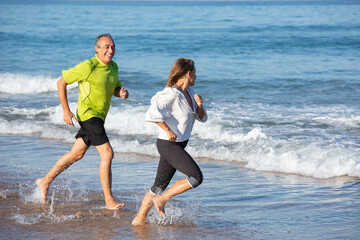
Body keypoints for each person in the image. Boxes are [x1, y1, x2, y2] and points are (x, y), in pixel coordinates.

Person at [36, 33, 129, 210]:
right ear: (97, 48)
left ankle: (45, 180)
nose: (110, 50)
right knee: (107, 154)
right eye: (106, 47)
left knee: (77, 154)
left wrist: (121, 93)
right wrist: (66, 110)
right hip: (88, 115)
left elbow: (115, 88)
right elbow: (61, 82)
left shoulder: (114, 67)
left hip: (99, 117)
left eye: (113, 47)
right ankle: (109, 200)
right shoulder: (88, 66)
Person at [132, 57, 207, 225]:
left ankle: (139, 219)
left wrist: (199, 105)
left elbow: (201, 118)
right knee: (196, 177)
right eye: (195, 73)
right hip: (168, 145)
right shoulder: (171, 94)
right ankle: (162, 199)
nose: (196, 76)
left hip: (177, 145)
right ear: (188, 73)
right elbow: (151, 113)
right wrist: (167, 130)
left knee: (158, 186)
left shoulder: (187, 94)